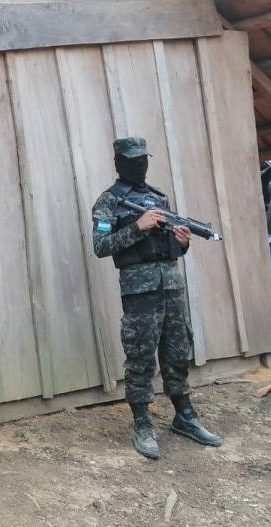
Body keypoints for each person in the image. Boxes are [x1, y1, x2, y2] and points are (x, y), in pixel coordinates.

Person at [91, 136, 223, 460]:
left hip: (172, 286)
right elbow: (100, 246)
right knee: (141, 356)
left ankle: (185, 415)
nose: (139, 165)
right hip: (139, 291)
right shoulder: (108, 202)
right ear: (120, 163)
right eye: (133, 160)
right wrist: (138, 226)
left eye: (143, 159)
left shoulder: (158, 196)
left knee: (178, 350)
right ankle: (142, 423)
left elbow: (170, 248)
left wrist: (183, 241)